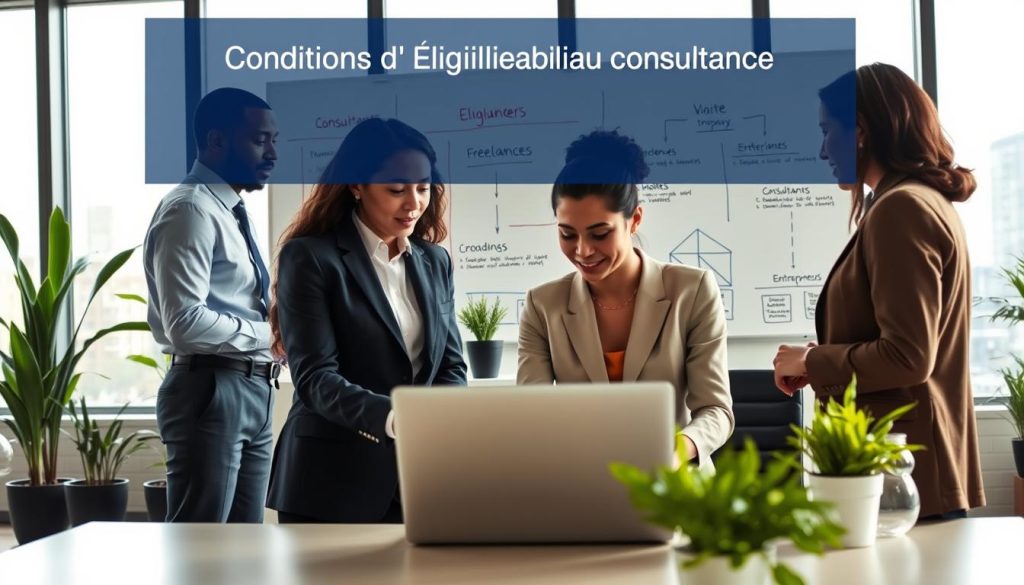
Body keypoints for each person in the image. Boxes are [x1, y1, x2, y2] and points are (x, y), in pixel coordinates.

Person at [772, 63, 985, 519]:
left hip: (906, 480)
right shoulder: (914, 202)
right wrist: (821, 359)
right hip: (906, 474)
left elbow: (908, 356)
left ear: (862, 131)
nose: (822, 148)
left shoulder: (902, 208)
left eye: (828, 131)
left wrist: (812, 361)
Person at [266, 118, 467, 523]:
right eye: (396, 189)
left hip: (415, 482)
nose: (413, 203)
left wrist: (443, 421)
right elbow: (316, 378)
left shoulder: (434, 261)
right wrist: (398, 417)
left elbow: (450, 363)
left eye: (423, 188)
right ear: (356, 186)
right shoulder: (310, 258)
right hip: (329, 483)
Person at [517, 130, 734, 470]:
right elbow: (533, 416)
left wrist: (675, 451)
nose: (583, 251)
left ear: (635, 220)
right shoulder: (543, 306)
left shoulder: (691, 290)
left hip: (675, 487)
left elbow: (716, 411)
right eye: (567, 234)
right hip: (581, 484)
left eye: (600, 234)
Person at [144, 87, 281, 523]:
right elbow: (184, 323)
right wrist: (273, 335)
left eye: (274, 139)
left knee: (243, 548)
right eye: (261, 140)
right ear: (217, 141)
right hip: (211, 389)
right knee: (199, 546)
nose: (273, 153)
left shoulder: (232, 209)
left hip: (255, 387)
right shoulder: (190, 210)